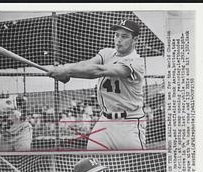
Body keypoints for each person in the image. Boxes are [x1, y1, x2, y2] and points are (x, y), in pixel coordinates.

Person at [48, 19, 146, 150]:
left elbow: (98, 71)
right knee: (93, 161)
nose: (118, 40)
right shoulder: (107, 53)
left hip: (128, 123)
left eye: (124, 36)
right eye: (116, 35)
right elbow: (87, 65)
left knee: (134, 166)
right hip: (104, 121)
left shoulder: (136, 62)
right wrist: (65, 69)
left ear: (135, 40)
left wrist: (65, 70)